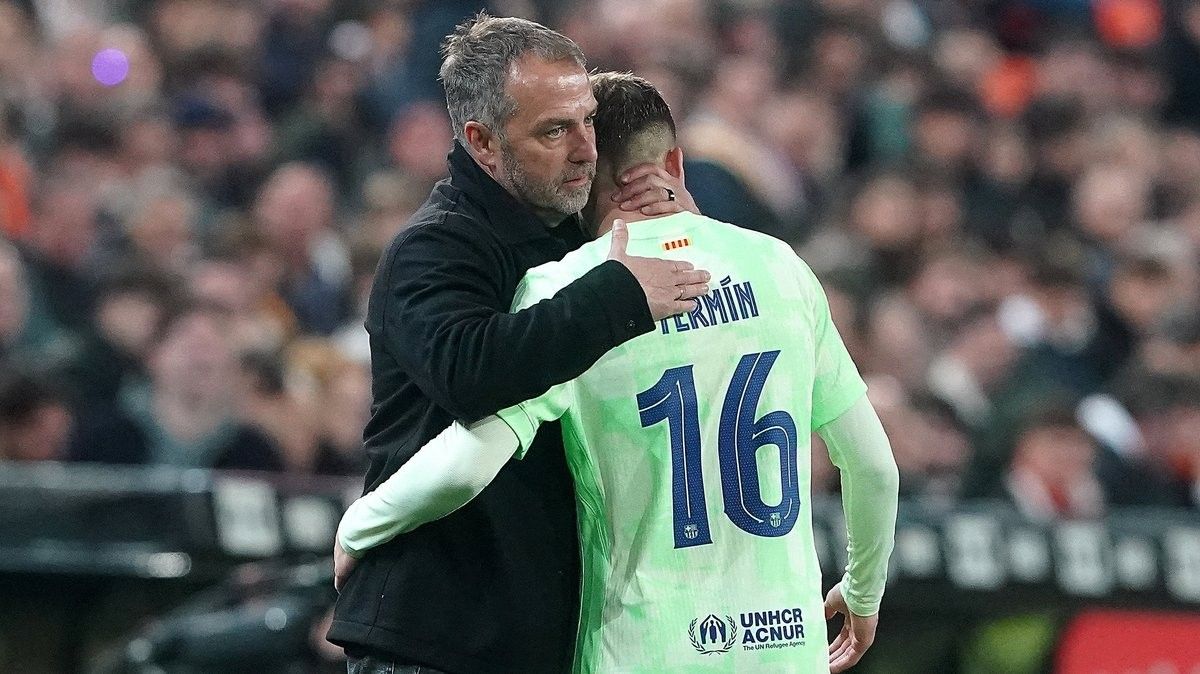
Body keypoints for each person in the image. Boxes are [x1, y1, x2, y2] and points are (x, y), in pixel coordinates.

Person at [336, 73, 899, 673]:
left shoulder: (569, 289)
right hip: (786, 647)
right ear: (675, 163)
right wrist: (862, 590)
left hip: (646, 649)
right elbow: (873, 466)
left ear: (582, 177)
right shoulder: (780, 266)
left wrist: (360, 525)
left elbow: (466, 465)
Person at [326, 15, 710, 674]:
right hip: (438, 637)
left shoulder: (579, 234)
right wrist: (617, 295)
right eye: (554, 131)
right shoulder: (436, 247)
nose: (586, 150)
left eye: (588, 121)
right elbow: (471, 370)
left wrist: (691, 236)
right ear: (482, 141)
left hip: (542, 634)